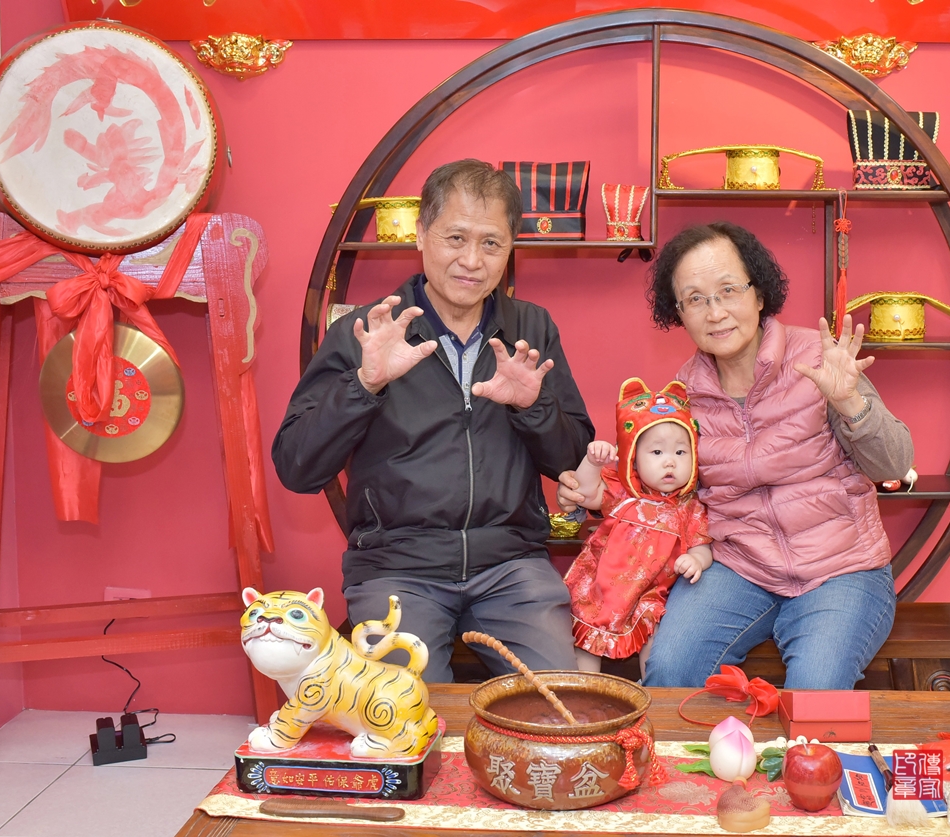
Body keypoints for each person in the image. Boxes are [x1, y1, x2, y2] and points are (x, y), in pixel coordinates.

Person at [273, 159, 594, 682]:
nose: (472, 261)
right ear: (421, 234)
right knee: (404, 712)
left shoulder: (530, 328)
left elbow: (572, 460)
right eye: (455, 238)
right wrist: (364, 386)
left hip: (511, 566)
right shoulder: (368, 332)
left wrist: (532, 407)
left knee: (555, 704)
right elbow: (297, 467)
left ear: (511, 247)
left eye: (491, 243)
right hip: (397, 569)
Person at [558, 222, 914, 690]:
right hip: (738, 568)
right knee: (670, 670)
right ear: (678, 313)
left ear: (759, 293)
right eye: (695, 299)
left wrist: (849, 402)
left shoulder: (819, 359)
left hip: (841, 567)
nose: (716, 312)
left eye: (728, 290)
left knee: (815, 691)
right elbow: (653, 486)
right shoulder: (682, 396)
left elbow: (893, 464)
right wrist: (585, 490)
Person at [563, 379, 713, 678]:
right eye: (656, 453)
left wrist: (696, 560)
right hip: (600, 588)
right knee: (586, 641)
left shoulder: (689, 506)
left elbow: (702, 546)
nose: (670, 462)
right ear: (633, 457)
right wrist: (592, 462)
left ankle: (652, 689)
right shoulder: (622, 491)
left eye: (680, 453)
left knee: (655, 640)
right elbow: (585, 492)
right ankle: (585, 688)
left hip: (650, 594)